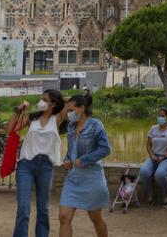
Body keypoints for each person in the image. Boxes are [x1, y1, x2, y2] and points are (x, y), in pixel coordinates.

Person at [7, 90, 68, 237]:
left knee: (43, 208)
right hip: (26, 165)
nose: (40, 101)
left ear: (53, 104)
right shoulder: (31, 117)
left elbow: (71, 102)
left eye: (44, 99)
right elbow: (10, 129)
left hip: (45, 166)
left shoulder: (58, 118)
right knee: (23, 208)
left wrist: (62, 99)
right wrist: (18, 110)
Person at [58, 91, 111, 237]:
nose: (68, 114)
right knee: (63, 217)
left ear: (81, 108)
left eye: (71, 110)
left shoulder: (96, 125)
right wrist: (67, 160)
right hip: (73, 178)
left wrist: (84, 160)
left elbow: (106, 149)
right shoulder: (70, 127)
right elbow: (71, 149)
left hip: (92, 178)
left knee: (95, 218)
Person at [138, 107, 167, 206]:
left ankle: (165, 195)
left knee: (159, 174)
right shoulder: (153, 128)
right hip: (154, 157)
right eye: (159, 115)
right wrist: (152, 155)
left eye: (162, 116)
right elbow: (148, 145)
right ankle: (150, 194)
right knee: (144, 172)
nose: (160, 118)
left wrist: (164, 156)